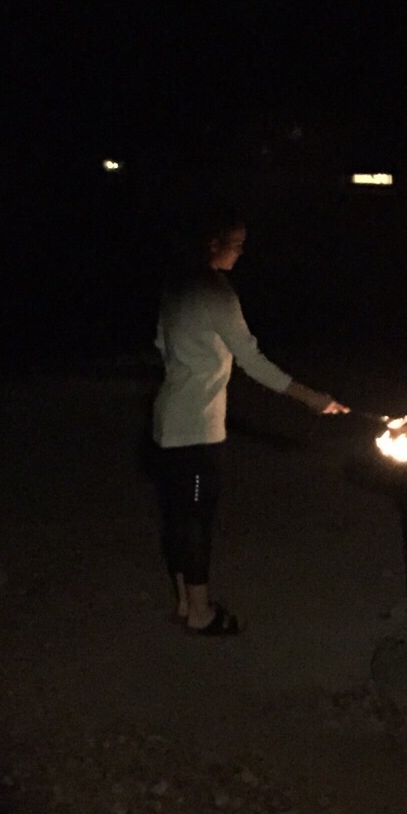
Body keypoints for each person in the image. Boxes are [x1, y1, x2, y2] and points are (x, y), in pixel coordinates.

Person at [150, 204, 347, 635]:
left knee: (178, 517)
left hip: (166, 421)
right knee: (197, 520)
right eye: (236, 244)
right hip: (196, 430)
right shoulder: (217, 294)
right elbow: (253, 361)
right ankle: (201, 614)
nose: (241, 252)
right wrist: (314, 399)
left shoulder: (177, 285)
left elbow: (162, 345)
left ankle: (185, 602)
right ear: (212, 244)